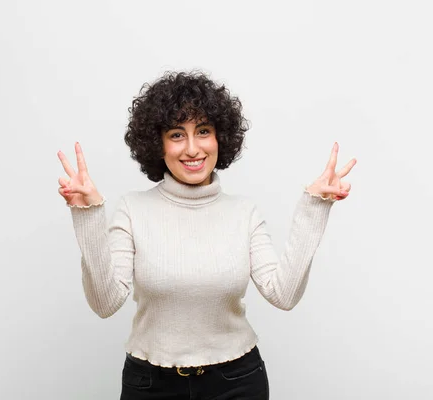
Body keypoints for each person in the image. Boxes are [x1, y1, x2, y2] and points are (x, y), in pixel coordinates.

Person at [57, 71, 356, 400]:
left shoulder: (244, 213)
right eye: (176, 134)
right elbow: (104, 303)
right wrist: (88, 215)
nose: (192, 148)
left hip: (236, 382)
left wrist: (314, 208)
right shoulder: (132, 210)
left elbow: (283, 294)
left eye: (203, 131)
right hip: (150, 385)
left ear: (219, 138)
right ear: (158, 143)